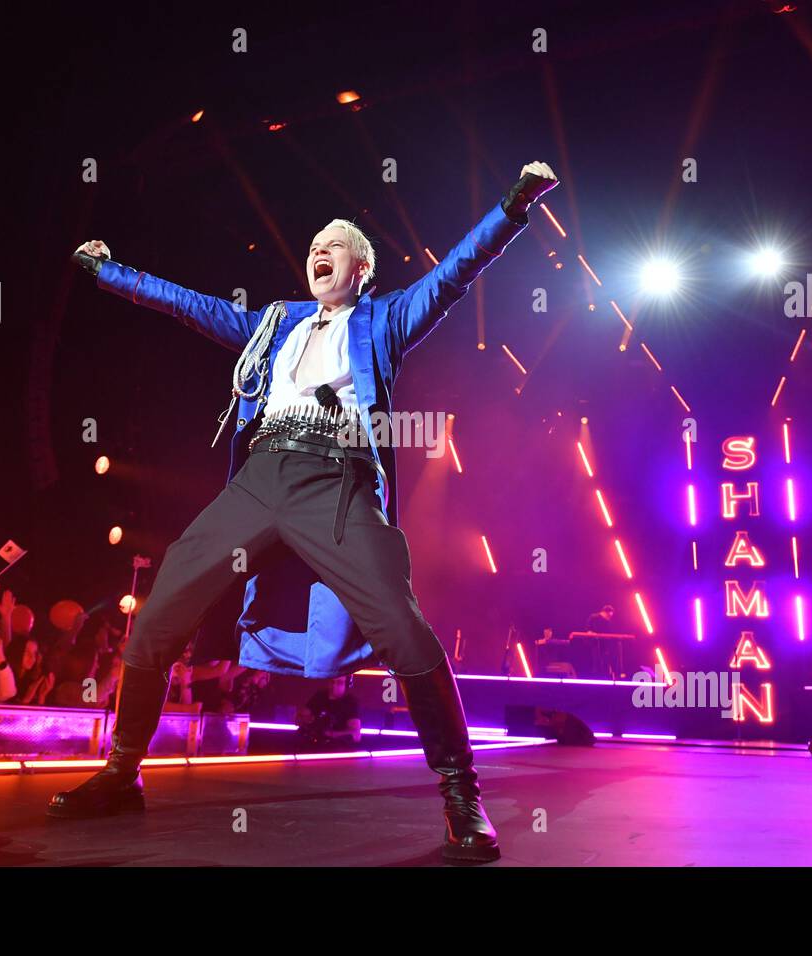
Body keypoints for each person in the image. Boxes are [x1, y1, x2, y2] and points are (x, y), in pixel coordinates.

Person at [49, 161, 559, 863]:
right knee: (163, 604)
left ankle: (460, 796)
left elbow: (455, 274)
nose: (320, 248)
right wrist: (111, 274)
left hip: (338, 479)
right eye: (316, 242)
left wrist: (512, 206)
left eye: (337, 243)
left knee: (403, 630)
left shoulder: (384, 320)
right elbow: (189, 304)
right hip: (261, 476)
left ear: (363, 268)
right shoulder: (273, 323)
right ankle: (119, 773)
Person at [296, 675, 360, 748]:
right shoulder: (319, 696)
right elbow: (299, 719)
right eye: (332, 682)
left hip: (336, 748)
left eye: (339, 683)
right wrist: (306, 720)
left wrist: (331, 734)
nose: (334, 686)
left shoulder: (350, 702)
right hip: (312, 743)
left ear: (346, 685)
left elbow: (356, 735)